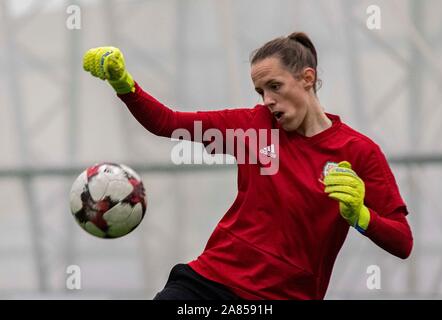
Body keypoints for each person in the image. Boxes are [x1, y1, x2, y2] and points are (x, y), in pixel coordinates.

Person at [82, 32, 413, 300]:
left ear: (307, 79)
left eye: (275, 86)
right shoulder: (253, 125)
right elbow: (167, 122)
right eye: (260, 90)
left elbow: (402, 242)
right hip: (209, 282)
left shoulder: (359, 152)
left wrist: (361, 216)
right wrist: (124, 84)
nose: (267, 99)